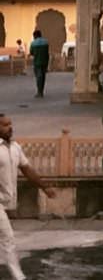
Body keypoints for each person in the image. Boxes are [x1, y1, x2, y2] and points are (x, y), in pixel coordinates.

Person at [0, 114, 56, 280]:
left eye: (10, 124)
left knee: (6, 237)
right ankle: (19, 277)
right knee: (8, 238)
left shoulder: (15, 147)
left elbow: (27, 170)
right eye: (4, 125)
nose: (10, 127)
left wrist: (45, 188)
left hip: (6, 202)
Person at [26, 34, 48, 100]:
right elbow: (47, 52)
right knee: (43, 76)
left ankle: (39, 92)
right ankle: (42, 91)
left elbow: (31, 52)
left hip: (37, 62)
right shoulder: (46, 42)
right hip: (44, 62)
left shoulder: (33, 43)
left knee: (38, 77)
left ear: (35, 36)